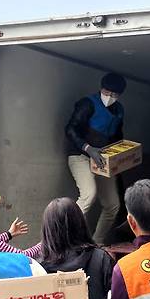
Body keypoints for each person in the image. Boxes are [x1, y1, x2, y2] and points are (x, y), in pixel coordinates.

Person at [65, 72, 127, 244]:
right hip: (80, 156)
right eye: (107, 93)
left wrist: (120, 157)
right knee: (88, 194)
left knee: (113, 204)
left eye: (114, 95)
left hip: (103, 160)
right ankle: (61, 234)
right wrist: (88, 148)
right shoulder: (87, 104)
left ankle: (97, 243)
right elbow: (70, 129)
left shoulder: (119, 110)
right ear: (101, 89)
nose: (110, 97)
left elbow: (118, 137)